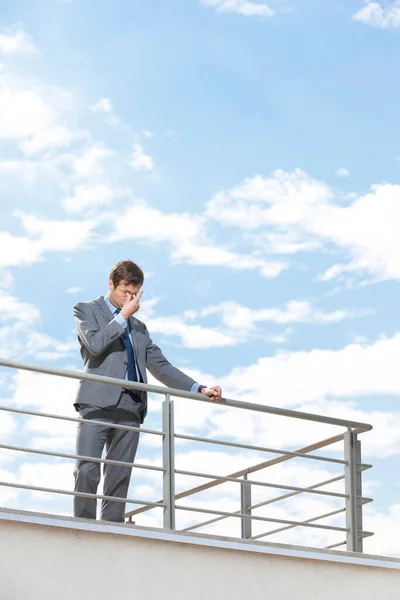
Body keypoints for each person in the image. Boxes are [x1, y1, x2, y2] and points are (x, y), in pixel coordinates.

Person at [73, 259, 222, 522]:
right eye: (124, 292)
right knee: (87, 469)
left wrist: (198, 388)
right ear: (111, 284)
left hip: (131, 407)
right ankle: (82, 528)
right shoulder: (85, 310)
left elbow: (161, 366)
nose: (129, 298)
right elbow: (95, 345)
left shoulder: (140, 328)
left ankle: (112, 528)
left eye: (134, 294)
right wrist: (123, 316)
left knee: (120, 475)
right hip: (97, 402)